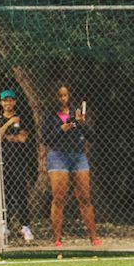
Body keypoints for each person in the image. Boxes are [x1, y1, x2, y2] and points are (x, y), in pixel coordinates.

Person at [41, 85, 100, 248]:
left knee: (85, 198)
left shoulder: (76, 112)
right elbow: (45, 139)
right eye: (60, 95)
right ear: (54, 97)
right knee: (59, 198)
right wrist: (62, 129)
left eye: (65, 95)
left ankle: (93, 237)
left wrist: (82, 123)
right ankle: (58, 238)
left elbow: (91, 137)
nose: (63, 98)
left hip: (78, 156)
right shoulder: (49, 115)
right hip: (58, 156)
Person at [0, 89, 36, 242]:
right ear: (1, 102)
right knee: (4, 194)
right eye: (4, 100)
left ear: (14, 101)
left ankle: (25, 226)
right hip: (2, 161)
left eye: (10, 100)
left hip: (19, 160)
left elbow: (22, 138)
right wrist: (8, 123)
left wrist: (6, 137)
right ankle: (4, 226)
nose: (7, 103)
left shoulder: (22, 118)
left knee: (21, 194)